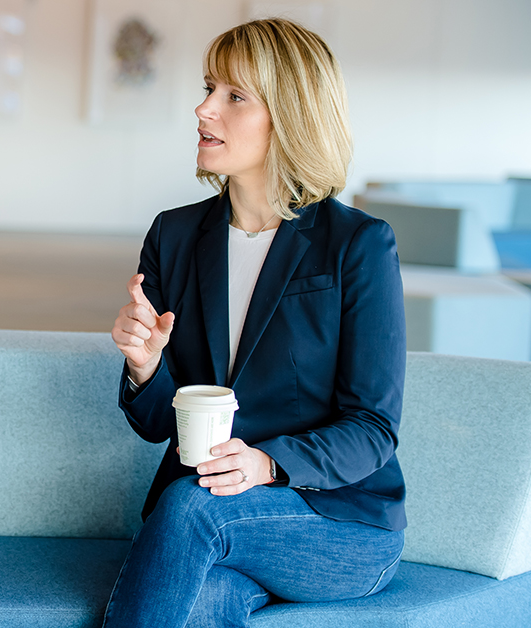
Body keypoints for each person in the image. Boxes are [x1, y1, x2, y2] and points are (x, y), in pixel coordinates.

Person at [104, 18, 406, 627]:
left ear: (289, 116)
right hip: (215, 513)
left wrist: (267, 464)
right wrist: (146, 368)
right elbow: (163, 424)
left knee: (190, 507)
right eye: (209, 87)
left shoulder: (359, 245)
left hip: (336, 520)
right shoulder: (174, 235)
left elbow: (373, 428)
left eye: (232, 96)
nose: (202, 107)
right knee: (204, 601)